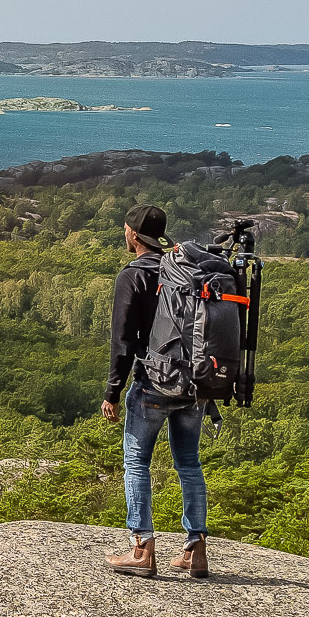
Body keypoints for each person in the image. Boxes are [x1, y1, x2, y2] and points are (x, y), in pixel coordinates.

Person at [100, 203, 209, 579]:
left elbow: (123, 342)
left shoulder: (133, 275)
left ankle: (142, 549)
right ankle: (195, 552)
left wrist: (113, 391)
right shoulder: (184, 271)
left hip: (153, 384)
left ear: (132, 234)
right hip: (194, 385)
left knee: (136, 462)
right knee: (189, 464)